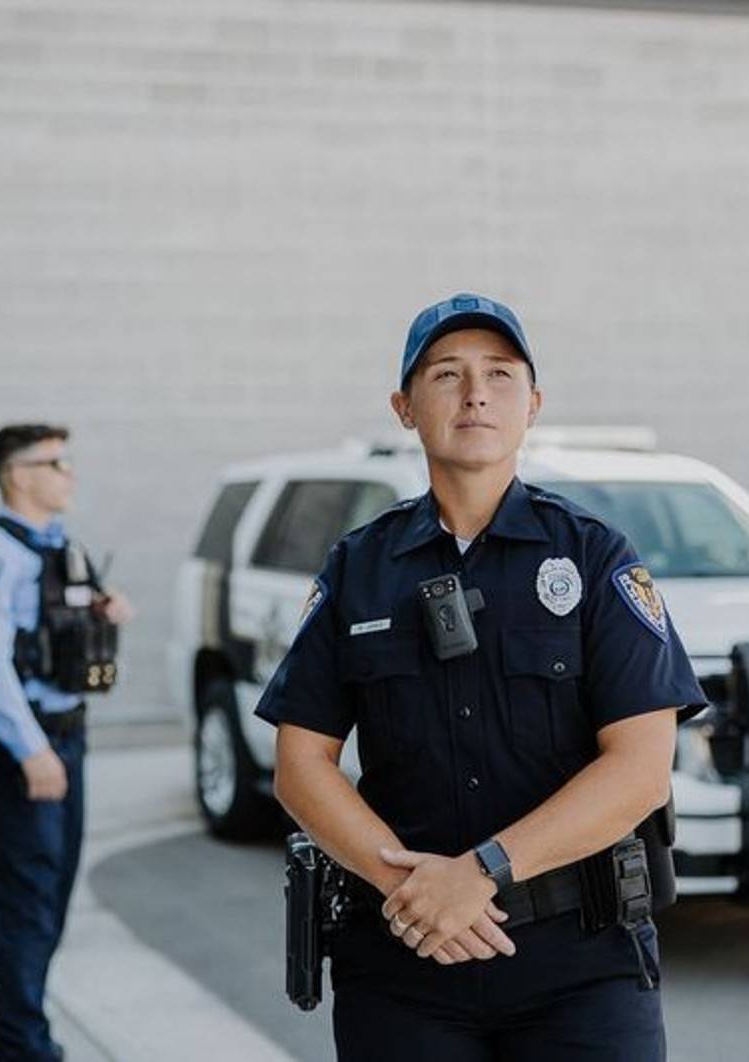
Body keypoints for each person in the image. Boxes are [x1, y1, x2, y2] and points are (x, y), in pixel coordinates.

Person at [257, 294, 707, 1061]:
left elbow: (639, 770)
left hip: (579, 962)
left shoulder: (595, 557)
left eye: (500, 375)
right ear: (405, 407)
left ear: (531, 405)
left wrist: (481, 874)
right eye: (446, 374)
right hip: (403, 967)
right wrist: (415, 892)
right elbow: (302, 767)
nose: (475, 393)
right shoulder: (358, 568)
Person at [0, 423, 134, 1062]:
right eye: (55, 462)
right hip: (23, 750)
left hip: (66, 740)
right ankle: (23, 1041)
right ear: (16, 474)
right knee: (24, 899)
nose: (68, 473)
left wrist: (103, 614)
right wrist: (32, 752)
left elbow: (57, 626)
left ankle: (12, 1023)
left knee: (50, 893)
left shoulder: (58, 547)